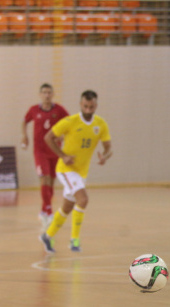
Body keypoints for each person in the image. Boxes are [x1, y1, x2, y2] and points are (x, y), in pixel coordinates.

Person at [39, 90, 113, 253]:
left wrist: (105, 157)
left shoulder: (100, 124)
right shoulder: (70, 121)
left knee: (67, 207)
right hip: (66, 169)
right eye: (85, 106)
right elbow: (48, 137)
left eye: (91, 107)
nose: (88, 110)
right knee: (83, 199)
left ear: (96, 106)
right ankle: (75, 240)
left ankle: (47, 235)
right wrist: (62, 155)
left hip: (81, 172)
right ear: (81, 105)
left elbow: (108, 148)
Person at [21, 83, 69, 231]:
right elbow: (25, 121)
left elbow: (69, 124)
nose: (47, 95)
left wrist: (62, 136)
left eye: (49, 92)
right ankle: (48, 212)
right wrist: (25, 136)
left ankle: (43, 210)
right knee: (44, 178)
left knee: (51, 183)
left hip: (54, 151)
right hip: (40, 151)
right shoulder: (34, 109)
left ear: (52, 94)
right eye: (44, 92)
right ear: (40, 94)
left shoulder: (59, 110)